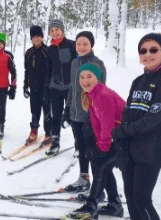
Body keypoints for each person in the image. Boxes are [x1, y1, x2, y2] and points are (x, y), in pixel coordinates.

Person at [112, 33, 161, 220]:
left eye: (153, 50)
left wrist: (123, 131)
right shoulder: (138, 81)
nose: (147, 54)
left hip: (150, 151)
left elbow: (152, 121)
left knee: (142, 199)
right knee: (131, 199)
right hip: (130, 149)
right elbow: (128, 112)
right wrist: (121, 137)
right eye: (143, 50)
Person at [68, 63, 124, 220]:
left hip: (129, 140)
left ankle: (92, 205)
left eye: (89, 76)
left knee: (102, 165)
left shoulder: (103, 95)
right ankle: (114, 205)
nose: (85, 80)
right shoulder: (93, 95)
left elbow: (107, 124)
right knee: (99, 162)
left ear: (97, 78)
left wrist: (103, 146)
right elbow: (96, 123)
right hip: (119, 137)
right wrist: (97, 145)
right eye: (82, 77)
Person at [62, 31, 107, 193]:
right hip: (76, 115)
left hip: (90, 117)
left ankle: (98, 187)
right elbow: (72, 88)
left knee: (93, 152)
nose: (81, 47)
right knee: (81, 148)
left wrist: (93, 117)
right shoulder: (75, 63)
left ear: (91, 45)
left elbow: (101, 93)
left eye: (85, 44)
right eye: (78, 44)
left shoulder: (97, 64)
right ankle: (83, 178)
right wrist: (67, 109)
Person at [45, 19, 77, 155]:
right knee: (56, 116)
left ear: (62, 30)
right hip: (55, 88)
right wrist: (47, 86)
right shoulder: (49, 49)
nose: (55, 33)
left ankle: (79, 144)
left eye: (57, 29)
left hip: (71, 88)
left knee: (73, 116)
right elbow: (48, 69)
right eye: (51, 31)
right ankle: (55, 142)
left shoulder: (71, 45)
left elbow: (79, 64)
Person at [23, 25, 51, 145]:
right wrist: (25, 85)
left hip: (46, 87)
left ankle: (49, 133)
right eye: (34, 37)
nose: (36, 39)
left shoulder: (47, 51)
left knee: (47, 110)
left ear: (42, 37)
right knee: (34, 110)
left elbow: (52, 70)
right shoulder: (28, 53)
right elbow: (27, 70)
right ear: (31, 39)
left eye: (38, 36)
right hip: (33, 87)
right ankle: (34, 131)